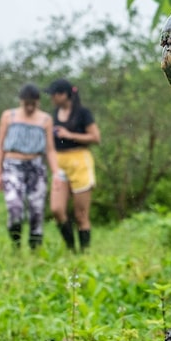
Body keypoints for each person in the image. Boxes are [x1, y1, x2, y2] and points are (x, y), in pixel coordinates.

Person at [0, 83, 61, 250]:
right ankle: (15, 243)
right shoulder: (9, 116)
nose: (30, 107)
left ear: (38, 102)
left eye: (33, 104)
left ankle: (34, 248)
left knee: (36, 209)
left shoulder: (45, 119)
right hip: (12, 165)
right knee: (14, 205)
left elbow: (50, 150)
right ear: (21, 101)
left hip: (36, 166)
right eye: (27, 104)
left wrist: (56, 173)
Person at [46, 79, 101, 252]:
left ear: (64, 94)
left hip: (80, 161)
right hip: (60, 163)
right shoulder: (54, 114)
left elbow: (95, 138)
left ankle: (83, 252)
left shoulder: (83, 113)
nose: (51, 98)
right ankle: (71, 247)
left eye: (54, 94)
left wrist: (70, 135)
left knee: (80, 214)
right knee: (57, 209)